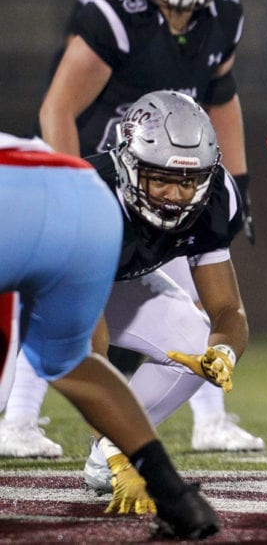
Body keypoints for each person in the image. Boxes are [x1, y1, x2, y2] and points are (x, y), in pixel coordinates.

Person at [0, 0, 262, 459]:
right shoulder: (114, 14)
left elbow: (221, 94)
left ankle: (156, 436)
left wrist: (236, 179)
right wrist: (70, 193)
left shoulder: (225, 12)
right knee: (55, 294)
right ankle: (18, 417)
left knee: (197, 317)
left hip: (173, 174)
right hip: (108, 178)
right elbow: (58, 110)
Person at [0, 132, 219, 540]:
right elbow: (85, 353)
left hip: (31, 201)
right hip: (86, 198)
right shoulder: (109, 189)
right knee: (69, 362)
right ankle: (177, 497)